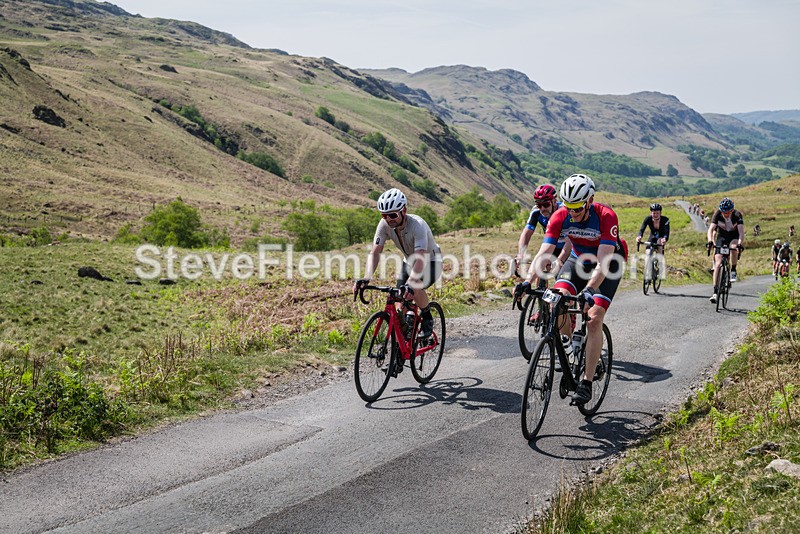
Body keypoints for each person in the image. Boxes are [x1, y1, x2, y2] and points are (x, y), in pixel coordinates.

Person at [515, 173, 628, 406]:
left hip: (607, 263)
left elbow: (603, 262)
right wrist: (527, 281)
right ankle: (567, 346)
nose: (573, 214)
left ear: (590, 201)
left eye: (578, 208)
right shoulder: (561, 215)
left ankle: (586, 382)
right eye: (569, 208)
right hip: (577, 260)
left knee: (594, 317)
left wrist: (589, 289)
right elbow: (544, 254)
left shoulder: (606, 216)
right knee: (555, 299)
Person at [353, 188, 442, 347]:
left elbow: (420, 257)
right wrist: (366, 277)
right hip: (409, 261)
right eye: (384, 215)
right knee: (399, 305)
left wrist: (411, 281)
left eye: (393, 215)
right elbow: (375, 252)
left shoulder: (418, 226)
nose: (388, 219)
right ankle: (403, 347)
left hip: (431, 261)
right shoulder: (384, 225)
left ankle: (427, 316)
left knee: (414, 286)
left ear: (404, 211)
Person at [514, 184, 571, 281]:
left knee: (562, 278)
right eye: (539, 205)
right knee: (540, 272)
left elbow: (571, 239)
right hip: (552, 246)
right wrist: (521, 254)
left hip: (568, 247)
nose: (542, 209)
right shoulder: (536, 212)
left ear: (554, 201)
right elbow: (526, 234)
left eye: (546, 204)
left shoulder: (565, 212)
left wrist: (560, 259)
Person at [707, 197, 745, 303]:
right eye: (724, 212)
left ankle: (733, 269)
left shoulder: (737, 215)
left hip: (734, 236)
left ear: (732, 210)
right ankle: (715, 292)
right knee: (718, 264)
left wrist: (739, 243)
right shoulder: (717, 214)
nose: (726, 214)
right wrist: (710, 241)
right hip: (722, 237)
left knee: (733, 248)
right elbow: (711, 229)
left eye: (728, 212)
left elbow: (741, 233)